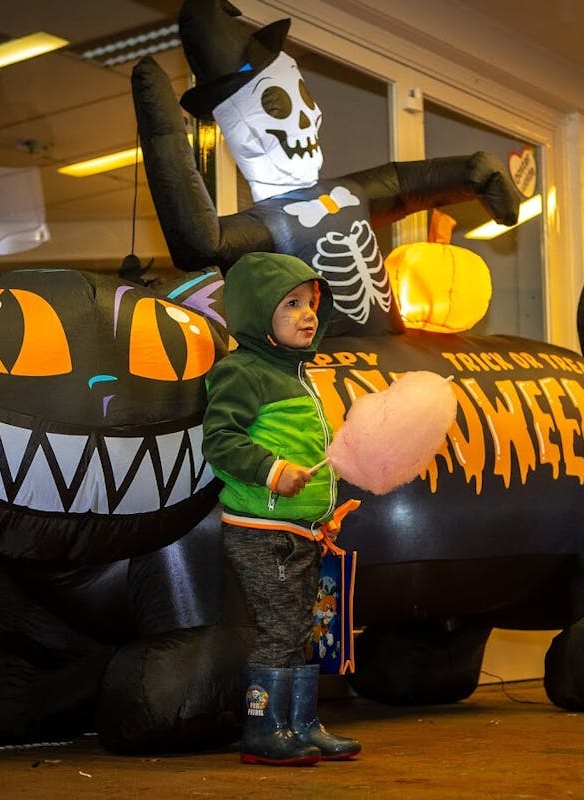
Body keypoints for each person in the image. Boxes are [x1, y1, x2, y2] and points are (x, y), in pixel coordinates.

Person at [202, 251, 361, 766]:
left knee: (299, 629)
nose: (307, 315)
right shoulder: (241, 372)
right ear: (256, 311)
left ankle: (300, 724)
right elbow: (220, 441)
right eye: (290, 304)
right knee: (279, 630)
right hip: (261, 530)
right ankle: (263, 729)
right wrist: (273, 471)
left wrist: (323, 510)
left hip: (300, 531)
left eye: (310, 304)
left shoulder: (298, 376)